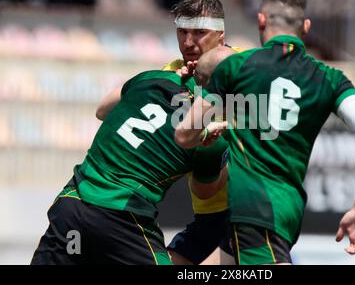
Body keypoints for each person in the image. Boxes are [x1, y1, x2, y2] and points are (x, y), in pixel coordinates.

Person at [175, 0, 355, 265]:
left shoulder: (236, 67)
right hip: (284, 210)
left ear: (261, 21)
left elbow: (184, 134)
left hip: (254, 209)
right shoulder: (330, 78)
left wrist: (207, 131)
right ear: (306, 26)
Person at [31, 68, 228, 265]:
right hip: (120, 216)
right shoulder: (210, 141)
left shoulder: (153, 78)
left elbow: (101, 111)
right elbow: (204, 191)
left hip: (72, 202)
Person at [161, 0, 239, 265]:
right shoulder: (170, 76)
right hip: (207, 214)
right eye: (182, 32)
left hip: (246, 212)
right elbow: (102, 111)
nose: (189, 42)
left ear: (221, 35)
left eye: (199, 33)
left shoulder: (246, 69)